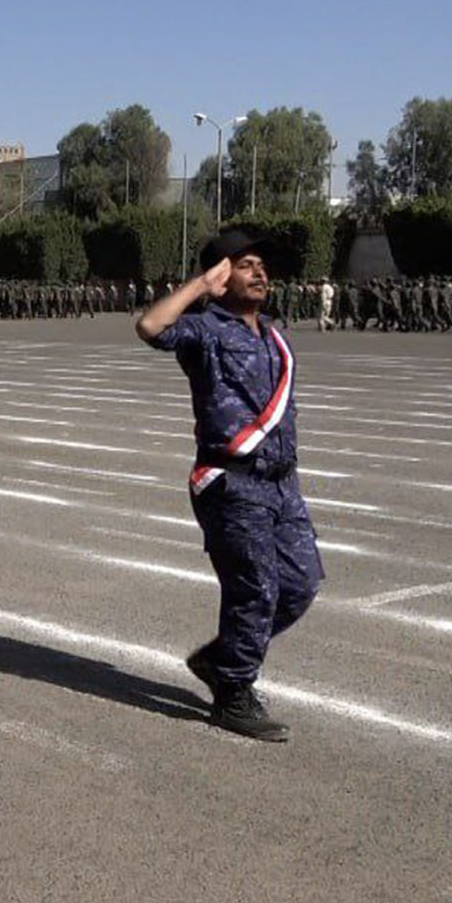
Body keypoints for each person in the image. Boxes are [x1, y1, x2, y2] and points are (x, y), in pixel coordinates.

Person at [135, 228, 322, 743]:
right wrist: (201, 286)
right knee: (255, 589)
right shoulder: (205, 332)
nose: (259, 272)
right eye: (245, 265)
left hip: (282, 485)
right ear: (221, 276)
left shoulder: (274, 337)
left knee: (301, 584)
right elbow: (150, 325)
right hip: (232, 485)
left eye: (262, 265)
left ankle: (221, 659)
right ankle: (233, 694)